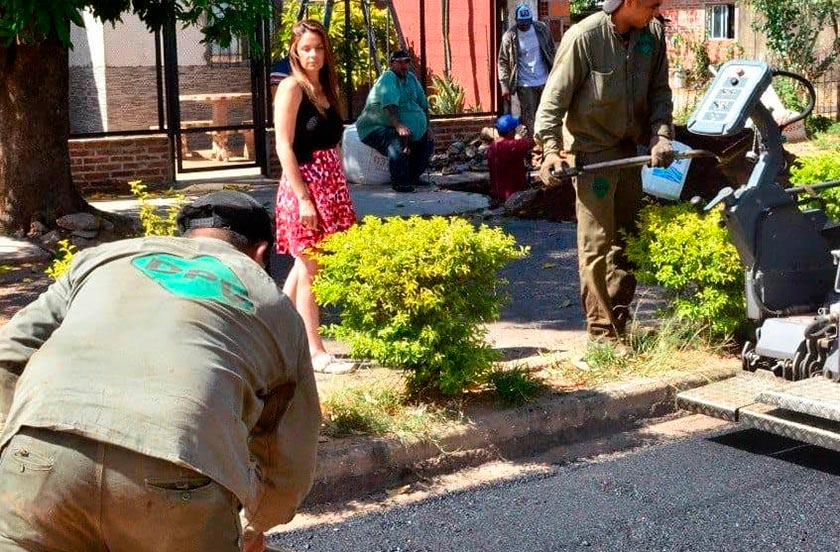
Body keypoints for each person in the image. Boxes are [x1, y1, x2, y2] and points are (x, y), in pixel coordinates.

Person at [0, 190, 320, 552]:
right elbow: (289, 452)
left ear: (183, 238)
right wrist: (256, 524)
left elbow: (10, 351)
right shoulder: (273, 303)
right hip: (178, 467)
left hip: (39, 456)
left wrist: (18, 435)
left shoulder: (101, 259)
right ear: (261, 253)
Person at [534, 0, 674, 339]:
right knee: (596, 244)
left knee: (627, 240)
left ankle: (619, 322)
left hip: (631, 155)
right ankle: (601, 333)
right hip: (594, 158)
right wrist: (550, 151)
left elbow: (659, 93)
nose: (656, 11)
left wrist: (661, 135)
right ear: (628, 2)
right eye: (652, 5)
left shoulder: (652, 35)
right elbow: (553, 100)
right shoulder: (584, 37)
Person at [274, 19, 358, 375]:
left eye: (318, 48)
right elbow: (282, 144)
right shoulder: (292, 88)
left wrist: (340, 183)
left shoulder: (326, 88)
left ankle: (275, 335)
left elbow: (332, 142)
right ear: (295, 51)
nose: (313, 54)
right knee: (311, 268)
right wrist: (304, 198)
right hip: (304, 186)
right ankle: (315, 352)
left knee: (303, 265)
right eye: (306, 48)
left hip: (331, 185)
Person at [355, 49, 434, 193]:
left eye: (407, 62)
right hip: (375, 127)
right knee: (394, 140)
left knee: (426, 143)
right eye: (400, 62)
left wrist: (427, 127)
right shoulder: (388, 78)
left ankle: (412, 177)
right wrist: (399, 126)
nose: (404, 65)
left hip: (404, 128)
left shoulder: (411, 78)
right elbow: (389, 105)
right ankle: (399, 182)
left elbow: (423, 105)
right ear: (391, 64)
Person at [497, 3, 557, 141]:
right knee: (529, 116)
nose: (525, 26)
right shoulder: (509, 36)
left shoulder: (541, 29)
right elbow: (502, 62)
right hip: (524, 84)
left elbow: (551, 50)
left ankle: (548, 142)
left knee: (546, 112)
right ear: (517, 21)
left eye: (527, 23)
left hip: (545, 80)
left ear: (531, 20)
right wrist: (504, 85)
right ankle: (533, 145)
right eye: (521, 23)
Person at [487, 113, 532, 206]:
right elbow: (531, 142)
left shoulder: (492, 146)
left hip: (496, 194)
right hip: (514, 196)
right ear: (511, 131)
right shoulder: (514, 145)